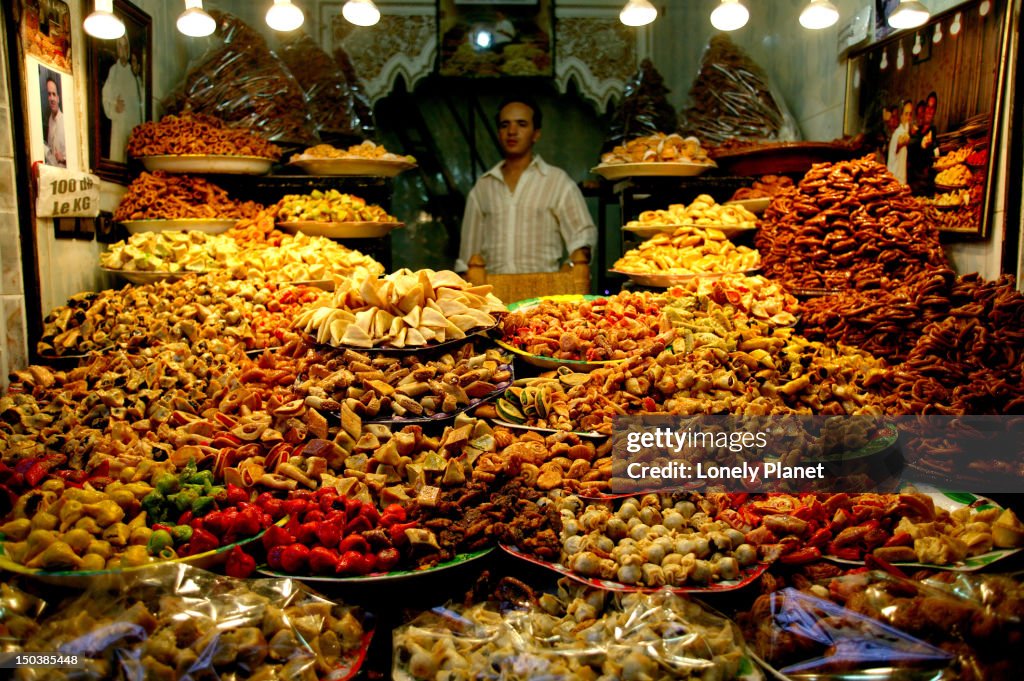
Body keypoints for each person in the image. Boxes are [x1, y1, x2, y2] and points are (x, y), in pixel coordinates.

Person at [456, 97, 596, 275]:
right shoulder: (483, 187)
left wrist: (570, 268)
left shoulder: (556, 181)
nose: (512, 131)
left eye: (521, 124)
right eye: (504, 125)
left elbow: (583, 234)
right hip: (493, 295)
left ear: (536, 133)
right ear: (499, 133)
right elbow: (467, 256)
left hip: (545, 294)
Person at [101, 34, 143, 163]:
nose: (123, 49)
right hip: (119, 124)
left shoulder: (133, 72)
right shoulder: (113, 71)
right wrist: (114, 105)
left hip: (133, 124)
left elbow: (141, 99)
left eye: (125, 46)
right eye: (120, 46)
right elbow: (106, 95)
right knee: (119, 156)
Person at [909, 91, 939, 194]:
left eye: (933, 107)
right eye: (928, 107)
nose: (930, 111)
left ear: (935, 110)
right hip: (910, 178)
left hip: (922, 183)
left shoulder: (932, 132)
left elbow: (934, 156)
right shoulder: (917, 130)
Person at [887, 99, 913, 185]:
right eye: (906, 114)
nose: (909, 117)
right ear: (901, 116)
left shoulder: (905, 131)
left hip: (901, 183)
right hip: (894, 183)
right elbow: (903, 140)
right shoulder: (898, 134)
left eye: (910, 114)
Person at [43, 74, 66, 167]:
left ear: (58, 98)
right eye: (49, 94)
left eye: (54, 94)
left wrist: (63, 159)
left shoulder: (65, 121)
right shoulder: (50, 119)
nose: (52, 98)